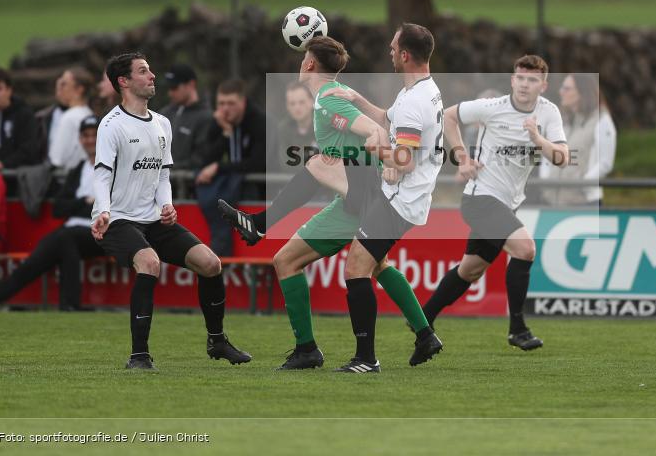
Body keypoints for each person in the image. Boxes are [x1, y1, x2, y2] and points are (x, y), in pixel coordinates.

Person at [221, 36, 437, 371]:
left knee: (296, 260)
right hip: (359, 196)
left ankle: (326, 352)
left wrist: (390, 162)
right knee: (373, 264)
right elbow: (379, 124)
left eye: (303, 57)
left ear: (308, 64)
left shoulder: (326, 102)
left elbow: (376, 133)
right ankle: (424, 334)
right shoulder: (330, 98)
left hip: (363, 197)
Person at [91, 53, 251, 370]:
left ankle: (217, 341)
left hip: (154, 220)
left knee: (210, 263)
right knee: (149, 263)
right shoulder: (111, 125)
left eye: (150, 69)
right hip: (118, 221)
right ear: (123, 82)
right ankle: (139, 356)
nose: (152, 76)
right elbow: (101, 174)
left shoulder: (163, 123)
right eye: (143, 71)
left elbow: (163, 174)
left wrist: (167, 204)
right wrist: (104, 211)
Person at [321, 23, 445, 373]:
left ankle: (366, 359)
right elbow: (388, 119)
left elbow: (403, 161)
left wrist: (380, 151)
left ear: (405, 55)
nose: (390, 52)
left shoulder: (415, 101)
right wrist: (356, 99)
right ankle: (424, 335)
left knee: (355, 268)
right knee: (376, 265)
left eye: (393, 48)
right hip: (404, 195)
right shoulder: (422, 90)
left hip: (400, 199)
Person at [422, 55, 568, 350]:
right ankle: (518, 329)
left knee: (470, 270)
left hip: (506, 204)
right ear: (513, 79)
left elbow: (562, 158)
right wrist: (462, 158)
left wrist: (537, 138)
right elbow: (448, 116)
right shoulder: (493, 108)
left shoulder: (548, 113)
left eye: (532, 80)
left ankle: (422, 317)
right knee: (525, 249)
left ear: (543, 85)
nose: (525, 84)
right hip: (480, 199)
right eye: (520, 78)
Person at [0, 116, 104, 311]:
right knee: (32, 263)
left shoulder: (116, 167)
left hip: (103, 233)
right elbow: (58, 208)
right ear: (80, 139)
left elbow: (111, 207)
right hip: (72, 232)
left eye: (95, 135)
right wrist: (85, 202)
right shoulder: (78, 169)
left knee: (64, 238)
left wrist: (84, 205)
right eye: (86, 135)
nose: (90, 140)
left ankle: (70, 304)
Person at [195, 79, 268, 256]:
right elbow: (205, 160)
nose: (225, 109)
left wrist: (220, 168)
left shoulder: (259, 121)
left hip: (258, 192)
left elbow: (258, 164)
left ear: (242, 102)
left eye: (231, 103)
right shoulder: (219, 121)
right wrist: (226, 134)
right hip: (231, 192)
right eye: (221, 103)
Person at [541, 73, 599, 206]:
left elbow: (605, 162)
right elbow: (546, 152)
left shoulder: (600, 121)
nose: (561, 92)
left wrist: (584, 183)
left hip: (584, 202)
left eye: (567, 89)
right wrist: (546, 179)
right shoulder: (561, 120)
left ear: (582, 92)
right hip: (553, 201)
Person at [159, 63, 212, 171]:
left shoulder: (206, 117)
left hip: (188, 184)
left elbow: (200, 158)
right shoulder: (164, 114)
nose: (170, 93)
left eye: (174, 87)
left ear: (191, 85)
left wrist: (168, 168)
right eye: (169, 88)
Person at [45, 68, 95, 171]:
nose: (59, 87)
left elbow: (57, 158)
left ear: (79, 89)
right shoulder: (90, 114)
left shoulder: (69, 118)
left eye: (64, 84)